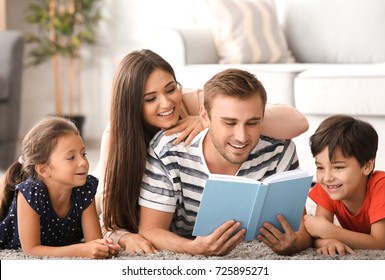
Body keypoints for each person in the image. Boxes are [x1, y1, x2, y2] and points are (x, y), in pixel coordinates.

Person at [95, 49, 309, 254]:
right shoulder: (117, 137)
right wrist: (126, 237)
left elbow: (296, 122)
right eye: (150, 99)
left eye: (170, 89)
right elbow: (109, 217)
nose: (166, 102)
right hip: (122, 199)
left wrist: (216, 122)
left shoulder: (193, 100)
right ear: (132, 104)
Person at [0, 116, 121, 259]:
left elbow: (93, 240)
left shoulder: (84, 189)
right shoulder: (30, 193)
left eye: (83, 154)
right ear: (43, 170)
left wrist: (104, 246)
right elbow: (31, 250)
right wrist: (80, 250)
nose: (83, 162)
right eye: (71, 157)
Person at [304, 115, 385, 256]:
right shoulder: (327, 187)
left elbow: (382, 242)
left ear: (367, 166)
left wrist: (331, 232)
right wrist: (327, 241)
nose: (327, 178)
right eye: (320, 167)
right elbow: (318, 233)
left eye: (338, 167)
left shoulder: (382, 185)